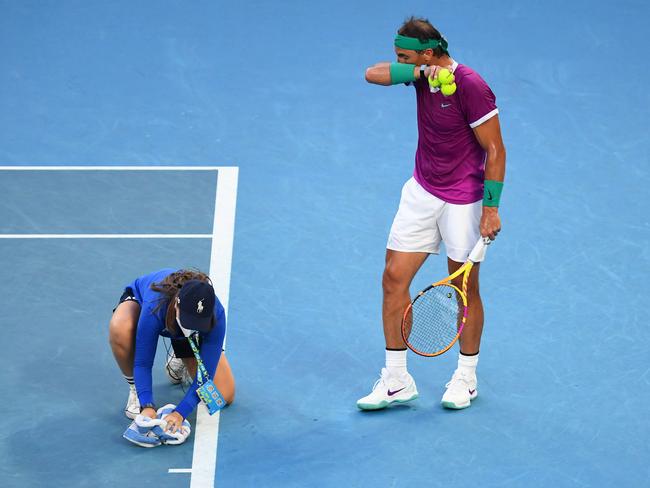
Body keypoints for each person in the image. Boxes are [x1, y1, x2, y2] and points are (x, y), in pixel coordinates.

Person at [357, 17, 505, 411]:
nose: (399, 62)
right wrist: (421, 70)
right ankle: (396, 380)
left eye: (405, 55)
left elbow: (496, 150)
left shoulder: (471, 85)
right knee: (393, 279)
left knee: (464, 291)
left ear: (428, 49)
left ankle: (466, 378)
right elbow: (373, 74)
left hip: (464, 201)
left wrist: (491, 208)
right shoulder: (421, 72)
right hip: (422, 191)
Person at [109, 268, 235, 435]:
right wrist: (146, 405)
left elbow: (205, 378)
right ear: (177, 305)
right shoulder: (154, 306)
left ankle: (179, 355)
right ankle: (135, 389)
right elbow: (143, 363)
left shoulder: (217, 315)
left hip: (182, 334)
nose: (192, 326)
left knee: (224, 395)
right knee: (121, 328)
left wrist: (180, 413)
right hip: (144, 308)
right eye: (189, 321)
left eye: (199, 323)